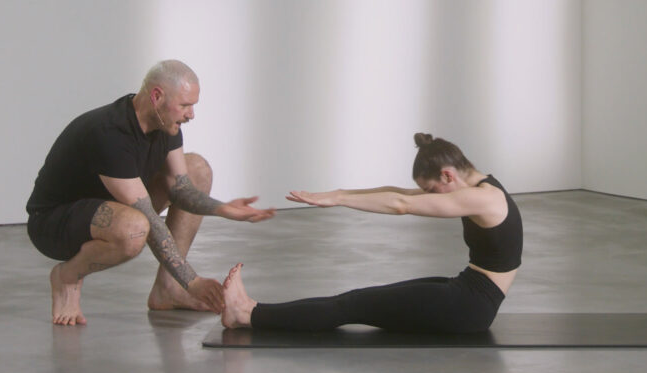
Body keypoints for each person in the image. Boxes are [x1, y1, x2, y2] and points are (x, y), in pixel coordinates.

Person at [26, 60, 276, 326]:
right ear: (157, 96)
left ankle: (167, 290)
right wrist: (192, 281)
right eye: (185, 105)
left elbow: (181, 189)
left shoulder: (165, 123)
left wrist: (223, 208)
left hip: (109, 208)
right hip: (53, 223)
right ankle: (67, 276)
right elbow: (150, 221)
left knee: (197, 169)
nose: (191, 115)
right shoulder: (110, 133)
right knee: (135, 229)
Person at [221, 133, 522, 333]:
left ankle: (247, 315)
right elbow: (400, 193)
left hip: (470, 308)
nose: (429, 195)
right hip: (469, 293)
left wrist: (339, 200)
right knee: (351, 300)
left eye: (431, 190)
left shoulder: (484, 199)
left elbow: (403, 204)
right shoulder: (483, 187)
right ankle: (250, 310)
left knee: (351, 305)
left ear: (447, 174)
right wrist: (340, 192)